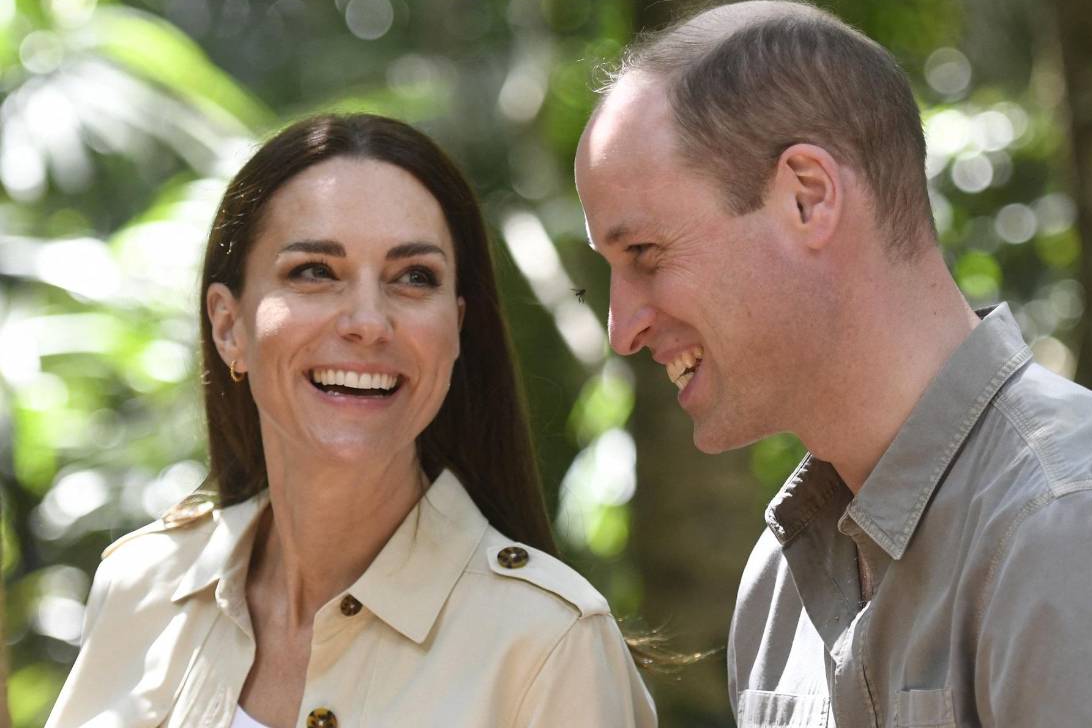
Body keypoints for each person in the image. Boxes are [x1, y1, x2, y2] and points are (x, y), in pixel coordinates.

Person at [575, 0, 1092, 727]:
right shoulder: (778, 587)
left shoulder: (1084, 526)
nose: (622, 328)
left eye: (645, 256)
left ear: (807, 197)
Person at [48, 113, 656, 728]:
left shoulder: (550, 645)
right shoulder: (139, 586)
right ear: (229, 326)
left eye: (414, 278)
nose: (368, 321)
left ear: (457, 330)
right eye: (315, 271)